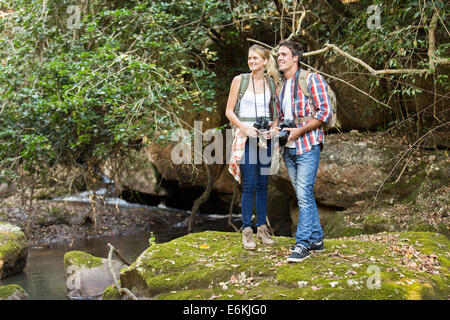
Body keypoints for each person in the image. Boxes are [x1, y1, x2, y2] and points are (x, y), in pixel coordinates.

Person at [275, 40, 333, 262]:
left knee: (304, 196)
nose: (279, 58)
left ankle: (302, 246)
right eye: (278, 55)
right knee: (302, 195)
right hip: (288, 148)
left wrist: (299, 131)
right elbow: (281, 120)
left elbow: (324, 112)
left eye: (283, 54)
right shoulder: (280, 87)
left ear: (295, 58)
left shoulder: (311, 79)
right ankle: (317, 239)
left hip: (308, 144)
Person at [226, 44, 279, 250]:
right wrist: (243, 127)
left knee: (263, 184)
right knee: (248, 184)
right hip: (245, 136)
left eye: (256, 58)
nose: (252, 61)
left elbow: (275, 114)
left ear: (265, 61)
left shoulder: (272, 83)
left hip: (265, 138)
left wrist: (273, 129)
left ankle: (262, 228)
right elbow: (229, 111)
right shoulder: (240, 81)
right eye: (250, 58)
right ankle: (247, 230)